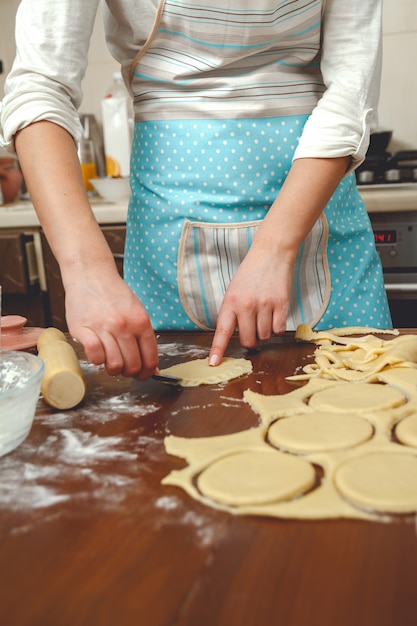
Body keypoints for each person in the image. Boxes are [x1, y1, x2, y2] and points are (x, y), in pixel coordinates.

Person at [0, 0, 392, 380]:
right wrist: (87, 272)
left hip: (319, 220)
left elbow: (350, 94)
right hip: (168, 242)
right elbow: (41, 87)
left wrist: (276, 248)